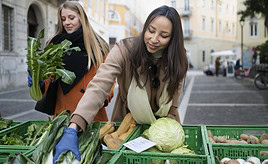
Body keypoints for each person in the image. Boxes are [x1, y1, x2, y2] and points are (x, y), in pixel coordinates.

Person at [53, 5, 188, 163]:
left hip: (162, 130)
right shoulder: (125, 49)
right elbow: (99, 85)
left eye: (163, 35)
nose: (154, 39)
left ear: (173, 38)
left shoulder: (177, 59)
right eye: (150, 30)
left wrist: (170, 136)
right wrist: (74, 127)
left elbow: (174, 101)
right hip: (125, 126)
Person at [27, 1, 114, 120]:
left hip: (91, 115)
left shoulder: (98, 46)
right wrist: (40, 82)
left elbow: (109, 79)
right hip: (63, 116)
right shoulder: (55, 45)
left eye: (71, 18)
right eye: (63, 19)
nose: (67, 22)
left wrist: (102, 98)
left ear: (81, 18)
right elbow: (49, 76)